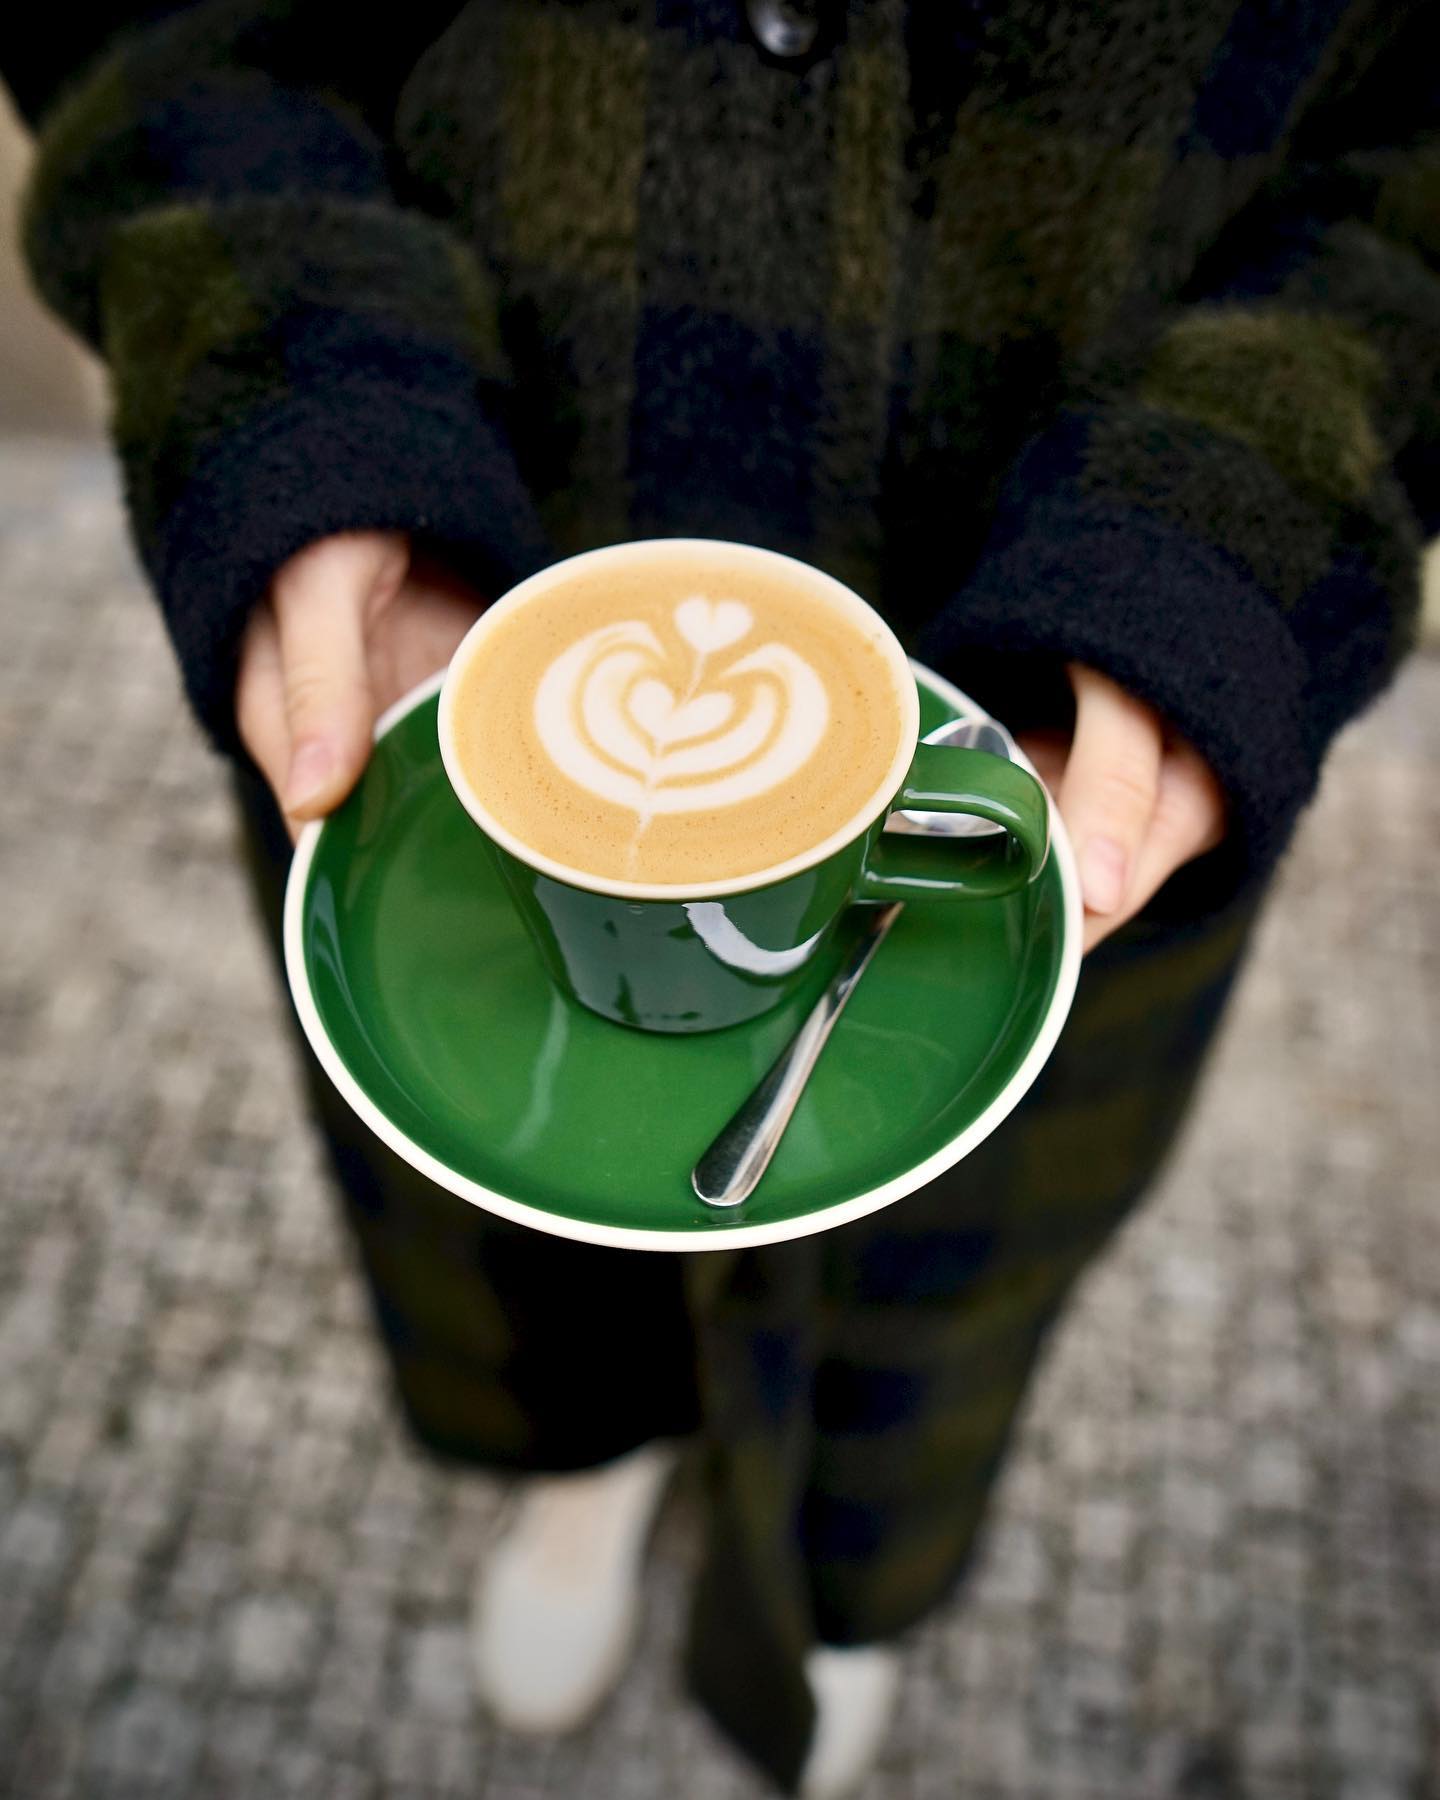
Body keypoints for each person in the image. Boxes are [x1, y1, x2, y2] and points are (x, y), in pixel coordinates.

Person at [7, 1, 1435, 1791]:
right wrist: (297, 385)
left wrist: (1221, 542)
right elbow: (151, 24)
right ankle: (590, 1463)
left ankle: (840, 1582)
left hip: (1058, 692)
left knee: (939, 1290)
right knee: (509, 1227)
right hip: (448, 626)